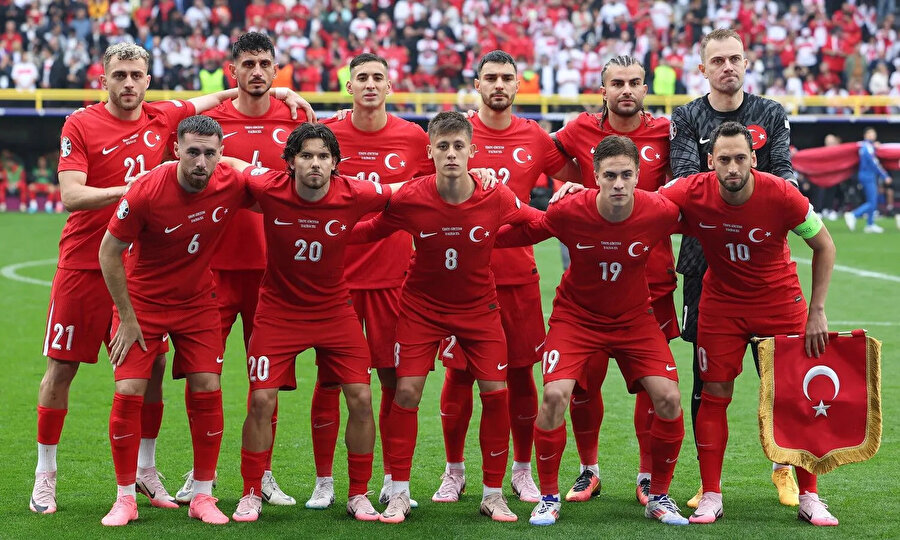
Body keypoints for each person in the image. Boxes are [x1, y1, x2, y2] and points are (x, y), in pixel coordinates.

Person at [31, 42, 283, 516]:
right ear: (103, 80)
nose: (128, 83)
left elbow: (217, 99)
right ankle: (46, 474)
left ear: (148, 80)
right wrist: (135, 190)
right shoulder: (81, 123)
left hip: (144, 272)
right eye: (119, 75)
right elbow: (71, 195)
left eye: (136, 75)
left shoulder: (164, 116)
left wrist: (284, 92)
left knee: (153, 371)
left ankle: (146, 470)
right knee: (62, 368)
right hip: (87, 262)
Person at [354, 111, 536, 524]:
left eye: (458, 146)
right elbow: (371, 230)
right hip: (421, 309)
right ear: (430, 152)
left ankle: (493, 495)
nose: (451, 153)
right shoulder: (410, 196)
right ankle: (399, 493)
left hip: (479, 309)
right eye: (443, 146)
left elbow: (537, 222)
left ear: (473, 151)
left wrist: (578, 205)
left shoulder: (496, 194)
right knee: (406, 393)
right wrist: (324, 228)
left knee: (496, 393)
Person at [499, 136, 688, 527]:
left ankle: (659, 496)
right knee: (555, 395)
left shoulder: (658, 210)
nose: (618, 183)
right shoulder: (571, 209)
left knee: (669, 397)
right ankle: (549, 497)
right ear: (596, 177)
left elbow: (704, 220)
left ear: (638, 176)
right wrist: (476, 236)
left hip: (634, 319)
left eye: (626, 175)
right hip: (577, 318)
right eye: (610, 175)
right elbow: (530, 228)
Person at [659, 121, 838, 527]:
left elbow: (824, 245)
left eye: (741, 158)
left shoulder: (783, 194)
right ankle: (711, 494)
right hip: (722, 305)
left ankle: (810, 496)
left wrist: (817, 310)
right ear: (710, 162)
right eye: (724, 159)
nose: (733, 167)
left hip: (780, 303)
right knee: (714, 393)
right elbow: (642, 205)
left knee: (795, 397)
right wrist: (587, 193)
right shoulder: (690, 190)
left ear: (754, 159)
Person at [433, 49, 580, 506]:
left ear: (518, 85)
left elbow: (577, 175)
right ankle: (454, 471)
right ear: (477, 84)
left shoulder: (534, 136)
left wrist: (573, 189)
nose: (499, 85)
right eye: (491, 77)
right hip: (461, 277)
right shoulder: (455, 134)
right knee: (459, 375)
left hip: (517, 276)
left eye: (506, 78)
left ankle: (521, 471)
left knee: (520, 375)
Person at [230, 123, 396, 523]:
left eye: (323, 156)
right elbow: (233, 164)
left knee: (361, 398)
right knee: (261, 400)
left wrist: (472, 175)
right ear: (290, 162)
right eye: (306, 155)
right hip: (278, 312)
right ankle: (251, 492)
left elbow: (403, 192)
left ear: (335, 163)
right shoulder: (269, 187)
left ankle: (358, 494)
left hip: (334, 310)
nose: (315, 163)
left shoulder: (355, 192)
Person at [174, 31, 310, 508]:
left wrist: (289, 95)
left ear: (276, 69)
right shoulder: (209, 123)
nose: (256, 72)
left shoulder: (295, 119)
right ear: (232, 71)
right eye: (247, 64)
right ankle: (202, 473)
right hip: (209, 271)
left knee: (264, 381)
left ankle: (263, 473)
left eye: (264, 64)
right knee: (202, 377)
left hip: (273, 273)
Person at [97, 115, 255, 526]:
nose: (201, 162)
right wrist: (127, 318)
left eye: (210, 153)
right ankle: (125, 497)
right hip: (142, 303)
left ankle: (203, 494)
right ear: (176, 150)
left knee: (207, 385)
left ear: (221, 154)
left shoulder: (231, 183)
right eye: (193, 152)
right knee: (129, 389)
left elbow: (277, 192)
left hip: (197, 302)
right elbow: (108, 252)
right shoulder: (146, 190)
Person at [669, 28, 800, 509]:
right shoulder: (687, 117)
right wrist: (738, 190)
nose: (728, 66)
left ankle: (785, 467)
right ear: (702, 68)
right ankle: (708, 481)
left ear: (746, 63)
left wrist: (754, 200)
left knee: (780, 377)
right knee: (708, 377)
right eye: (718, 60)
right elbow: (686, 179)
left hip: (763, 264)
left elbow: (784, 173)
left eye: (735, 59)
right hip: (704, 260)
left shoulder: (771, 112)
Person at [551, 54, 677, 505]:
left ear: (645, 88)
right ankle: (589, 470)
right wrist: (569, 183)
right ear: (602, 90)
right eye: (617, 83)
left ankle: (647, 476)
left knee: (651, 384)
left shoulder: (667, 132)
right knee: (584, 382)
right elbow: (543, 158)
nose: (626, 90)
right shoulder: (578, 130)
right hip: (591, 284)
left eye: (634, 82)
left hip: (652, 280)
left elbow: (688, 184)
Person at [310, 52, 433, 510]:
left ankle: (393, 480)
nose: (369, 84)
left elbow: (435, 190)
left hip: (392, 279)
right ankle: (324, 481)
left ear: (389, 86)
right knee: (329, 381)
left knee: (393, 380)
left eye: (377, 77)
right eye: (361, 77)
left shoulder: (413, 137)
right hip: (336, 279)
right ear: (349, 86)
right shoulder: (327, 134)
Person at [844, 127, 891, 234]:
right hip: (868, 176)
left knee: (872, 200)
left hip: (868, 175)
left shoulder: (867, 146)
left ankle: (870, 224)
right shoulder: (867, 147)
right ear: (865, 135)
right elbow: (874, 163)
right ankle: (854, 214)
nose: (872, 136)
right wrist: (885, 176)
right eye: (870, 134)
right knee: (872, 202)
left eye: (873, 134)